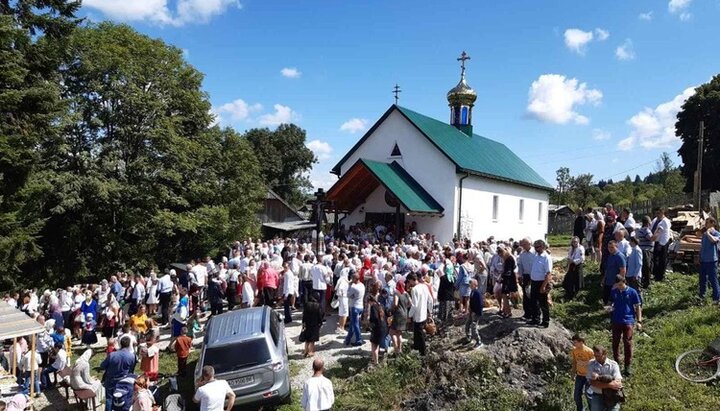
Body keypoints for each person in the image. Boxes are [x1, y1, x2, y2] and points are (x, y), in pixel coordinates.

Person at [610, 275, 642, 377]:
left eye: (621, 285)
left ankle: (627, 365)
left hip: (628, 320)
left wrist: (639, 321)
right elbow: (611, 303)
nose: (619, 287)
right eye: (617, 285)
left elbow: (637, 307)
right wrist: (609, 308)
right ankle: (616, 363)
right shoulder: (614, 291)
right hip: (616, 320)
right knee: (615, 341)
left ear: (624, 282)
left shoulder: (632, 292)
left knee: (627, 342)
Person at [100, 336, 137, 411]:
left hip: (110, 380)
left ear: (120, 343)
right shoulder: (132, 356)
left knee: (109, 399)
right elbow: (131, 369)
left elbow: (102, 366)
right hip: (124, 380)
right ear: (129, 344)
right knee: (123, 398)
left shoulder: (112, 355)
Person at [587, 345, 623, 411]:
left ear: (605, 354)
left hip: (612, 394)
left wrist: (598, 378)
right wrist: (609, 385)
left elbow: (618, 383)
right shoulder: (591, 364)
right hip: (598, 394)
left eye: (598, 356)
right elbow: (592, 382)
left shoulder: (613, 364)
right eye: (595, 355)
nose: (596, 358)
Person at [528, 240, 552, 327]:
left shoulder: (546, 257)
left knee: (543, 303)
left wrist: (543, 286)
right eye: (535, 247)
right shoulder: (536, 256)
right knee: (533, 301)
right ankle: (535, 319)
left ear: (542, 246)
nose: (536, 248)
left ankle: (545, 321)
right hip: (534, 281)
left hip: (541, 282)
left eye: (537, 247)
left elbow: (548, 274)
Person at [408, 272, 433, 356]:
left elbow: (414, 305)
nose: (409, 283)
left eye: (409, 281)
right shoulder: (424, 286)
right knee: (420, 333)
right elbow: (430, 300)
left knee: (418, 334)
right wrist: (430, 311)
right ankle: (419, 350)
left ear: (412, 280)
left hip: (417, 315)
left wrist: (409, 315)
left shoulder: (414, 289)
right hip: (424, 314)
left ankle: (422, 352)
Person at [699, 217, 720, 304]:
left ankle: (716, 298)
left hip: (711, 260)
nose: (706, 225)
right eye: (705, 223)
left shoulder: (716, 233)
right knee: (702, 280)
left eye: (707, 223)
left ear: (712, 223)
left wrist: (708, 233)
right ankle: (701, 296)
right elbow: (702, 246)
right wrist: (700, 256)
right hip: (703, 260)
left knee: (713, 280)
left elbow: (713, 241)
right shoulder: (704, 234)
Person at [570, 334, 594, 411]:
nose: (574, 344)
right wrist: (573, 373)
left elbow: (595, 363)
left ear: (581, 342)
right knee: (576, 395)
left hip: (589, 376)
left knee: (588, 394)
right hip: (579, 375)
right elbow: (574, 362)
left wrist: (586, 363)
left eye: (575, 342)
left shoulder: (589, 351)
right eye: (573, 342)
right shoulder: (574, 350)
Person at [601, 241, 627, 306]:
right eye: (609, 247)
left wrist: (618, 283)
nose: (610, 249)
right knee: (606, 298)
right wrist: (604, 279)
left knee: (613, 301)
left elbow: (623, 270)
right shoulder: (610, 256)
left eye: (612, 247)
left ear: (616, 247)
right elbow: (607, 269)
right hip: (608, 281)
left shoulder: (620, 256)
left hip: (615, 283)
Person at [344, 272, 366, 347]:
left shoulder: (353, 287)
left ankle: (359, 339)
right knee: (352, 324)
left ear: (354, 279)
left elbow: (348, 294)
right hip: (360, 306)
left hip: (354, 307)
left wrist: (349, 285)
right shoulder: (362, 285)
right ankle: (348, 339)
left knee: (355, 324)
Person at [650, 207, 671, 282]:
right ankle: (656, 274)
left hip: (662, 243)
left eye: (658, 213)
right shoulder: (656, 220)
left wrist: (652, 238)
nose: (657, 215)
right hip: (657, 242)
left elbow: (658, 232)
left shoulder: (664, 221)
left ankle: (659, 277)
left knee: (661, 260)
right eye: (656, 213)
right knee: (656, 259)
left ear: (662, 213)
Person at [389, 281, 410, 354]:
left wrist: (392, 308)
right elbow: (410, 303)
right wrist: (404, 307)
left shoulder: (397, 293)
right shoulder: (406, 293)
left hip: (398, 314)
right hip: (405, 314)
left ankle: (396, 349)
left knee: (392, 332)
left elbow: (395, 303)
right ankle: (400, 349)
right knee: (399, 332)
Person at [516, 238, 535, 320]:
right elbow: (520, 266)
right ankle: (527, 313)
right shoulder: (522, 254)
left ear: (529, 243)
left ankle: (534, 314)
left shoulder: (535, 253)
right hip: (526, 276)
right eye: (522, 245)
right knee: (526, 296)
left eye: (525, 244)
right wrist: (520, 276)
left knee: (533, 296)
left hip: (535, 276)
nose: (523, 246)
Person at [368, 292, 388, 365]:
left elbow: (374, 318)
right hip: (384, 327)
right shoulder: (381, 305)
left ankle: (375, 361)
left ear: (370, 301)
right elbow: (388, 313)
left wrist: (370, 323)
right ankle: (381, 358)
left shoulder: (373, 307)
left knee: (374, 345)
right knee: (379, 344)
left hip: (377, 328)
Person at [635, 216, 654, 290]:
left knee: (644, 267)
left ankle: (643, 282)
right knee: (647, 267)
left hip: (642, 250)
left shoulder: (640, 230)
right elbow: (651, 238)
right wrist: (658, 232)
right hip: (646, 251)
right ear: (648, 222)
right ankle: (647, 284)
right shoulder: (646, 230)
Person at [465, 279, 484, 349]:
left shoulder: (477, 293)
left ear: (475, 285)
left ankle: (479, 341)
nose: (470, 285)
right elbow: (471, 302)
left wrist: (476, 312)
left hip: (476, 313)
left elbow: (480, 304)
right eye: (470, 284)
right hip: (472, 312)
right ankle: (469, 337)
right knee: (467, 324)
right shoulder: (472, 292)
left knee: (474, 327)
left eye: (471, 284)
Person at [499, 246, 517, 317]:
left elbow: (508, 271)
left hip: (508, 279)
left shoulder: (509, 259)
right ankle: (507, 311)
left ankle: (507, 312)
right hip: (508, 279)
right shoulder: (508, 258)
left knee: (504, 295)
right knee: (505, 295)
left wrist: (502, 277)